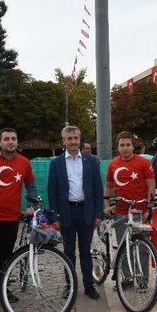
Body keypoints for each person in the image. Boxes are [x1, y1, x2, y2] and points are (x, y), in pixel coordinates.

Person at [0, 128, 37, 310]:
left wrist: (31, 205)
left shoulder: (25, 163)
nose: (10, 142)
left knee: (7, 256)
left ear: (17, 142)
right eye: (6, 139)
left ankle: (1, 289)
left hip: (11, 218)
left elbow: (31, 187)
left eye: (13, 139)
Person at [48, 126, 104, 300]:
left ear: (80, 139)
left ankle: (89, 286)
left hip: (86, 212)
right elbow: (52, 191)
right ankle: (70, 286)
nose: (73, 141)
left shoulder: (91, 161)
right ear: (63, 141)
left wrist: (98, 214)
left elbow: (97, 189)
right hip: (66, 213)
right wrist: (54, 216)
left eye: (75, 138)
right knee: (68, 252)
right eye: (69, 138)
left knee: (85, 251)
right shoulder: (56, 163)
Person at [104, 132, 155, 289]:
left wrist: (149, 207)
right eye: (122, 145)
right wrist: (106, 205)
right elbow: (109, 186)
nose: (125, 148)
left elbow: (151, 185)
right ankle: (127, 277)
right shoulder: (113, 164)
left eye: (128, 145)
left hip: (139, 211)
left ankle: (142, 280)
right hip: (120, 210)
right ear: (117, 147)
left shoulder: (143, 163)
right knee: (123, 246)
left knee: (142, 247)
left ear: (133, 146)